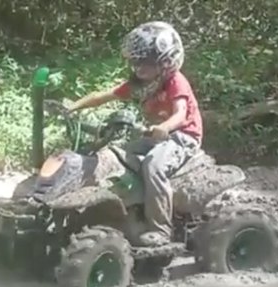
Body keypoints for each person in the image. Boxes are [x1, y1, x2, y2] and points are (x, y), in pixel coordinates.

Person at [65, 21, 203, 247]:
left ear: (166, 61)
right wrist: (73, 106)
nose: (139, 68)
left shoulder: (175, 82)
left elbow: (180, 114)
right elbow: (104, 96)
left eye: (146, 62)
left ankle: (161, 229)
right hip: (156, 135)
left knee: (153, 165)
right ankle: (131, 205)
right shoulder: (141, 83)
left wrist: (165, 127)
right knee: (117, 154)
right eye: (135, 62)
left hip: (183, 136)